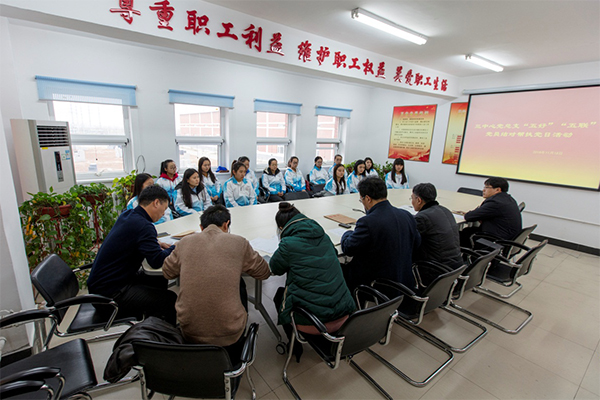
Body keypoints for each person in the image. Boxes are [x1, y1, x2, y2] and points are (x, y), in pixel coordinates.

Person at [162, 205, 270, 359]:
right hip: (230, 334)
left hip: (189, 331)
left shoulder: (184, 243)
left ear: (201, 227)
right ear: (226, 225)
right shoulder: (239, 242)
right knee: (239, 284)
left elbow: (167, 272)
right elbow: (264, 272)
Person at [270, 202, 356, 361]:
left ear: (282, 228)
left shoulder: (288, 244)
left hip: (316, 323)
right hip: (345, 315)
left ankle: (294, 346)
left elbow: (274, 268)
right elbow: (333, 253)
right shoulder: (324, 236)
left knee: (279, 297)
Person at [87, 185, 177, 325]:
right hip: (110, 295)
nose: (163, 214)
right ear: (156, 203)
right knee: (169, 299)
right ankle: (164, 333)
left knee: (159, 278)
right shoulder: (144, 226)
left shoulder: (129, 215)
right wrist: (177, 247)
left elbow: (134, 239)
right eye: (164, 209)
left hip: (102, 286)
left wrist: (155, 243)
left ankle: (153, 323)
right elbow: (157, 260)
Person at [341, 177, 421, 291]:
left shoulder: (367, 222)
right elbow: (417, 243)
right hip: (404, 281)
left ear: (367, 198)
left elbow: (348, 248)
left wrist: (347, 233)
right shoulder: (407, 215)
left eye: (361, 200)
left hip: (376, 284)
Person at [411, 183, 464, 269]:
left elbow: (410, 239)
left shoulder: (422, 218)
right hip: (456, 266)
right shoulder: (445, 210)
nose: (412, 201)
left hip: (437, 269)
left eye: (412, 198)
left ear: (419, 200)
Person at [461, 177, 522, 245]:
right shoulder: (508, 199)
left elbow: (469, 217)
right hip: (507, 238)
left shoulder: (495, 202)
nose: (483, 190)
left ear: (497, 189)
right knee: (467, 231)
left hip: (496, 240)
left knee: (460, 235)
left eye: (487, 187)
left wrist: (473, 213)